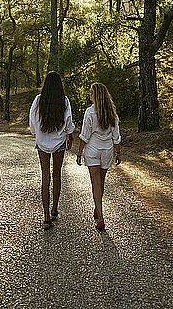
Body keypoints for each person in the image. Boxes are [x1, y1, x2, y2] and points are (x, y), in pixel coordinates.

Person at [29, 71, 75, 230]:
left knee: (45, 178)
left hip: (42, 143)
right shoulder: (64, 101)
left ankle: (46, 217)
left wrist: (36, 135)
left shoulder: (38, 100)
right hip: (59, 142)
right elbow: (68, 121)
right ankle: (54, 208)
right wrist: (70, 136)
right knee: (57, 175)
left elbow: (32, 120)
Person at [77, 82, 121, 232]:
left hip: (93, 150)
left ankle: (101, 217)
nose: (89, 94)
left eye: (91, 92)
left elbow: (85, 136)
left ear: (96, 95)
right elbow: (116, 136)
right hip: (107, 150)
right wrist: (118, 152)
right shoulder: (112, 113)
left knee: (95, 183)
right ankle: (98, 208)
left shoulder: (90, 113)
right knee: (100, 182)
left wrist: (79, 152)